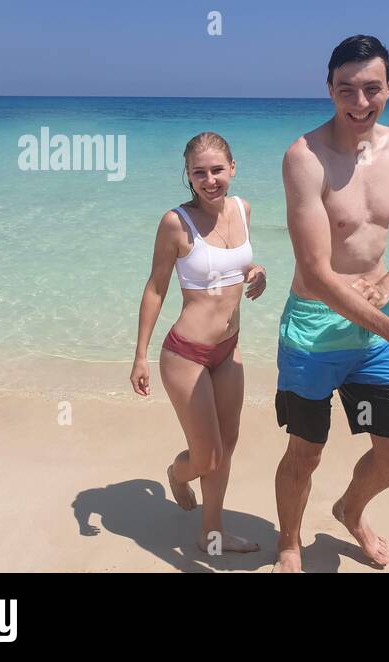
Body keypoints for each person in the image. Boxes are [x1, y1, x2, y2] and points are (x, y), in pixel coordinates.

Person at [273, 35, 389, 572]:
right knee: (305, 453)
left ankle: (350, 510)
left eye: (372, 89)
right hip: (313, 330)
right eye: (346, 91)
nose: (360, 104)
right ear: (328, 90)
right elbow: (315, 271)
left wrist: (388, 288)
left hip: (374, 331)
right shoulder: (304, 158)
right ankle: (289, 542)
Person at [130, 132, 267, 554]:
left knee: (226, 449)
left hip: (229, 351)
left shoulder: (243, 210)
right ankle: (177, 472)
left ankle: (213, 533)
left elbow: (237, 264)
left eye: (217, 170)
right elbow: (156, 288)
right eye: (199, 173)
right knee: (205, 458)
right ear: (188, 176)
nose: (209, 180)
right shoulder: (176, 222)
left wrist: (257, 272)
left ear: (233, 168)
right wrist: (139, 356)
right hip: (186, 354)